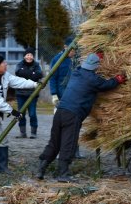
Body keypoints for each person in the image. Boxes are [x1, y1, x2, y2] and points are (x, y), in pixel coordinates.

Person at [36, 53, 125, 181]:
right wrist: (117, 80)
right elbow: (106, 85)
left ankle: (41, 169)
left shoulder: (76, 73)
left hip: (60, 111)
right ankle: (63, 174)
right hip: (72, 114)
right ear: (95, 67)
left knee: (54, 142)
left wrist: (95, 58)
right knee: (69, 143)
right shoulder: (93, 79)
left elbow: (83, 70)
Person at [14, 51, 43, 139]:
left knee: (32, 114)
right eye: (27, 55)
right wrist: (32, 74)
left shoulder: (37, 65)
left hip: (32, 94)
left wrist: (26, 73)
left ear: (33, 57)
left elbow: (39, 74)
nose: (29, 57)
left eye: (31, 55)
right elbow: (18, 73)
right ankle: (23, 133)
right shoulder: (19, 64)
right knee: (21, 113)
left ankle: (33, 133)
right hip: (20, 93)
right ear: (24, 56)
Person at [48, 43, 75, 108]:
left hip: (73, 92)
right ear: (65, 47)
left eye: (74, 51)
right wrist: (54, 94)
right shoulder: (57, 59)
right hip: (61, 93)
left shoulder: (76, 59)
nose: (73, 53)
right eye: (72, 50)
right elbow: (53, 77)